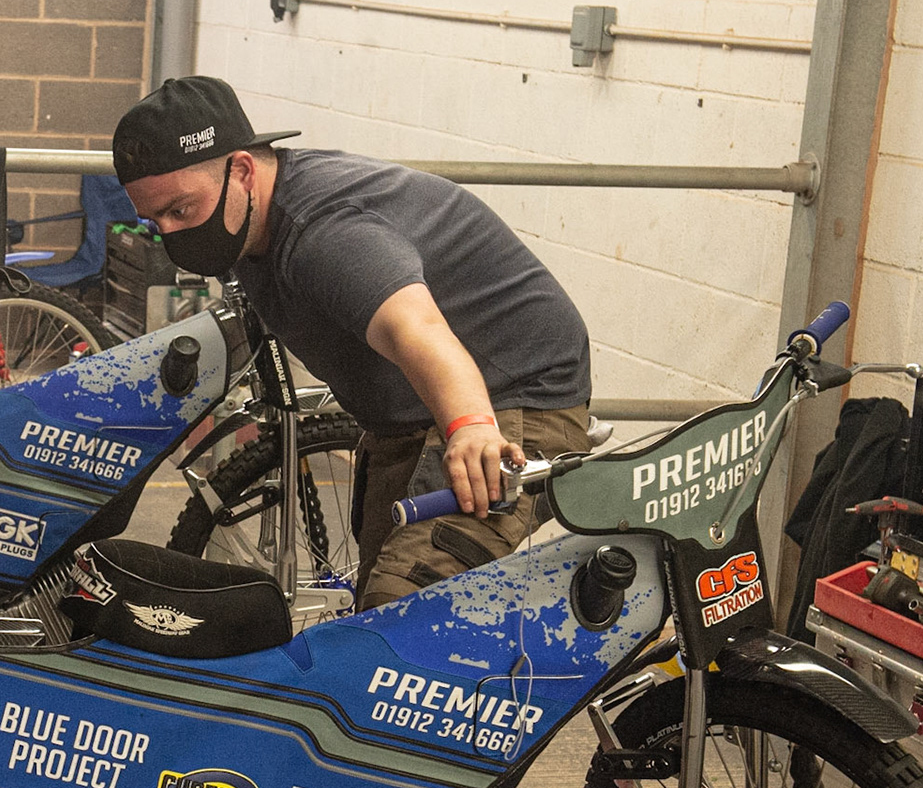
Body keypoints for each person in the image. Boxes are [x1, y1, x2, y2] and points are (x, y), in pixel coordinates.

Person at [114, 76, 593, 609]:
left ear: (243, 171)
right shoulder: (246, 219)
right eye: (154, 219)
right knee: (373, 610)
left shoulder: (324, 233)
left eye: (181, 209)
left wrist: (472, 427)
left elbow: (416, 328)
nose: (171, 233)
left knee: (403, 607)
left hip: (508, 398)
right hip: (407, 416)